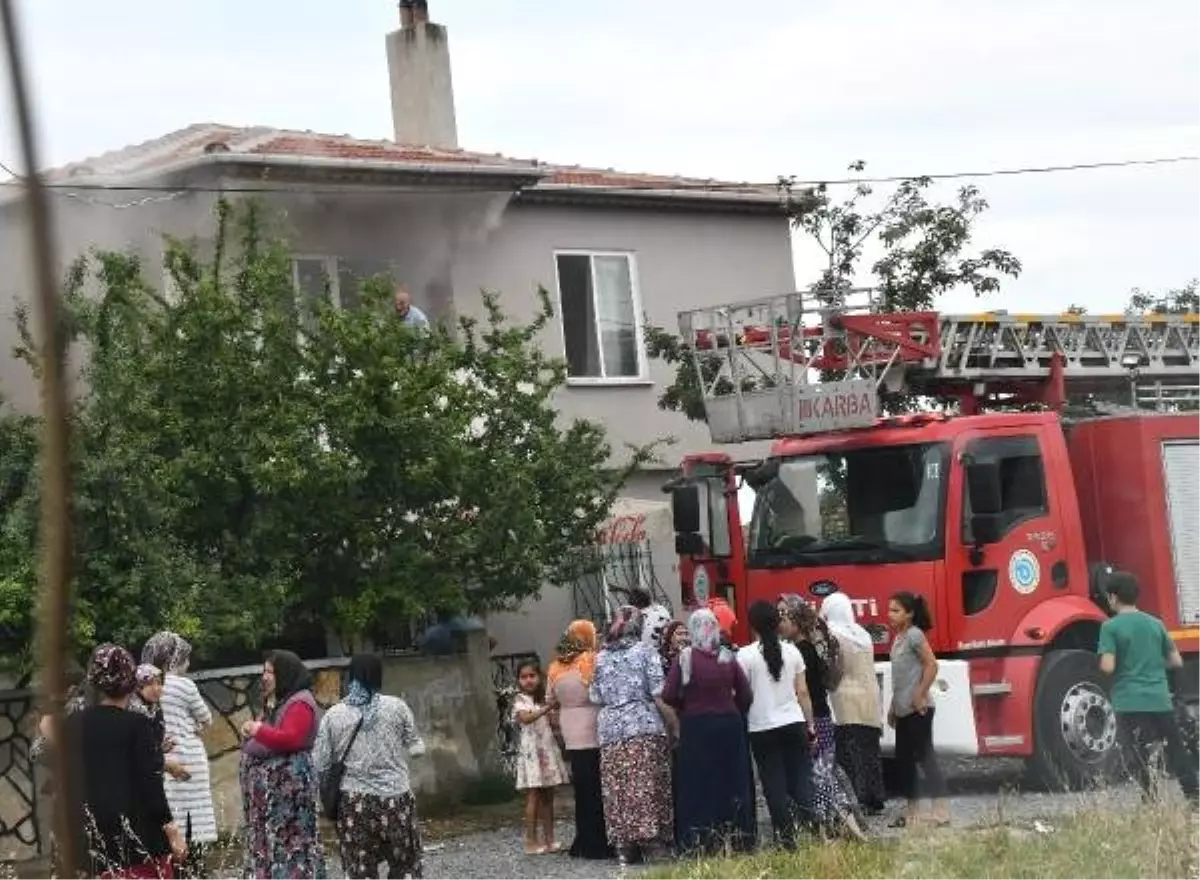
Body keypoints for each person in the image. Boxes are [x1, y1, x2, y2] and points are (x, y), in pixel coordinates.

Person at [61, 643, 187, 878]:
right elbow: (150, 785)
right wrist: (171, 829)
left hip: (93, 840)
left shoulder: (72, 724)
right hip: (137, 840)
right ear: (131, 682)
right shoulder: (136, 725)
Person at [314, 653, 426, 880]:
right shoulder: (397, 707)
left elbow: (320, 762)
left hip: (354, 802)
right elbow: (417, 749)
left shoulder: (333, 715)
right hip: (396, 798)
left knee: (359, 869)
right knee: (405, 864)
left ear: (350, 675)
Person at [1098, 571, 1200, 803]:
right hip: (1159, 698)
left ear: (1113, 597)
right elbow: (1176, 661)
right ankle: (1194, 796)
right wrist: (1153, 663)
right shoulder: (1156, 624)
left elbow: (1107, 666)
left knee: (1137, 752)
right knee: (1176, 749)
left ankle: (1150, 800)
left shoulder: (1110, 628)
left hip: (1128, 700)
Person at [661, 609, 756, 856]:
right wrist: (734, 710)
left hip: (697, 725)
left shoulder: (686, 657)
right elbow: (745, 694)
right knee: (731, 780)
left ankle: (699, 838)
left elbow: (668, 693)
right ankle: (736, 836)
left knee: (698, 782)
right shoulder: (726, 655)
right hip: (729, 725)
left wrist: (687, 706)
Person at [589, 606, 677, 866]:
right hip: (643, 727)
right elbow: (659, 692)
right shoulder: (646, 653)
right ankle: (653, 844)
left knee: (618, 789)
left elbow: (595, 696)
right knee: (646, 786)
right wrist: (674, 725)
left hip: (610, 732)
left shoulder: (600, 658)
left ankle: (625, 846)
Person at [781, 596, 867, 841]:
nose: (781, 622)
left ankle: (828, 829)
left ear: (798, 621)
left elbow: (802, 690)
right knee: (827, 772)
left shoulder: (800, 651)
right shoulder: (813, 646)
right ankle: (849, 825)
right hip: (824, 715)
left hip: (813, 718)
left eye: (785, 617)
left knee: (820, 776)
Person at [239, 650, 326, 878]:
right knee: (271, 846)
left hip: (289, 800)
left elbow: (291, 737)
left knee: (291, 848)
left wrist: (257, 730)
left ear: (285, 673)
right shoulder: (280, 702)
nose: (265, 677)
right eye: (263, 671)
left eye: (270, 672)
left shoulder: (300, 702)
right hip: (271, 801)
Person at [737, 600, 815, 850]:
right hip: (793, 721)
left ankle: (786, 839)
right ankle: (812, 830)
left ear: (753, 625)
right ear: (777, 622)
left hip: (761, 726)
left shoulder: (745, 655)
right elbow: (802, 692)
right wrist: (810, 724)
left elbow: (741, 693)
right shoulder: (793, 651)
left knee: (773, 785)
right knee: (801, 780)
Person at [547, 620, 612, 861]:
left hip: (570, 728)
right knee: (598, 788)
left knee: (582, 790)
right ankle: (599, 841)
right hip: (592, 725)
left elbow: (549, 699)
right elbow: (599, 692)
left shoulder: (555, 666)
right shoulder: (591, 661)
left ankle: (583, 839)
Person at [887, 591, 949, 828]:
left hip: (919, 709)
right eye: (890, 609)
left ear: (910, 614)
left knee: (925, 757)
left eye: (896, 610)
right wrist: (894, 706)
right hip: (903, 710)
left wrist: (920, 693)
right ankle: (913, 810)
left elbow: (932, 665)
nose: (890, 615)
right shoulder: (898, 638)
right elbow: (900, 677)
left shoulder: (914, 635)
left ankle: (941, 810)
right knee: (904, 761)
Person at [820, 592, 886, 814]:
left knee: (849, 752)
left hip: (845, 698)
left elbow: (835, 670)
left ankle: (857, 800)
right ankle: (875, 798)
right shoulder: (863, 634)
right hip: (869, 696)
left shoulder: (833, 635)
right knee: (870, 750)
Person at [512, 659, 569, 855]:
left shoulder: (543, 699)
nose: (528, 680)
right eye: (523, 677)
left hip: (546, 748)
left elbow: (552, 722)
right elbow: (526, 718)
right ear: (518, 681)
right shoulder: (520, 700)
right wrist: (547, 708)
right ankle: (530, 841)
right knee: (533, 796)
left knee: (548, 797)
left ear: (539, 677)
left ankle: (550, 838)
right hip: (531, 753)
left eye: (532, 676)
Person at [129, 664, 191, 783]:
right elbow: (136, 754)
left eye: (159, 683)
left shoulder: (155, 710)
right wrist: (165, 763)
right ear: (138, 685)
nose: (156, 688)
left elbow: (147, 748)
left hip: (153, 778)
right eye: (149, 684)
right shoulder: (133, 714)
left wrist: (160, 748)